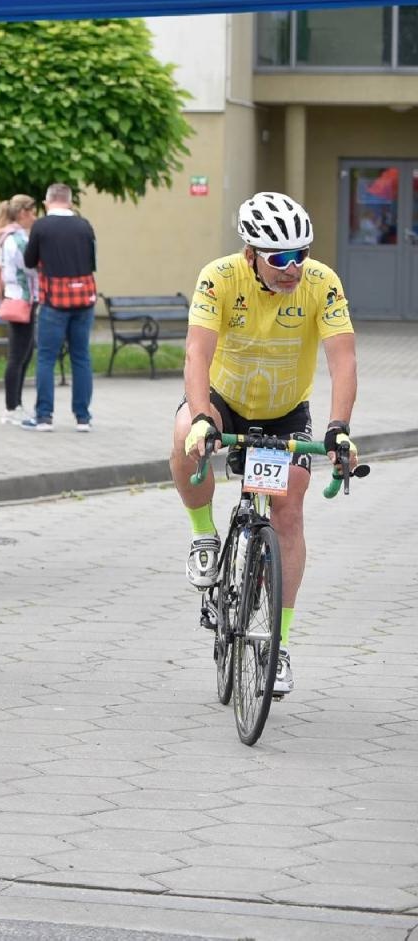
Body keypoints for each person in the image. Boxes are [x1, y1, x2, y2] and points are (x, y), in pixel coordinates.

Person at [172, 191, 358, 696]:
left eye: (301, 254)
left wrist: (338, 427)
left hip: (282, 414)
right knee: (181, 436)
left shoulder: (322, 284)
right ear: (250, 252)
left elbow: (343, 359)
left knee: (287, 511)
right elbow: (196, 352)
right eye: (279, 257)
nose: (292, 266)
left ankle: (278, 643)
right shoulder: (220, 276)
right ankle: (204, 534)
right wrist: (202, 418)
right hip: (224, 400)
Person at [21, 183, 98, 433]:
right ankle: (83, 418)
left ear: (47, 202)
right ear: (70, 202)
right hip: (84, 299)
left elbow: (29, 261)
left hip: (54, 300)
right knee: (81, 356)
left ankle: (44, 417)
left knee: (46, 357)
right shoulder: (84, 225)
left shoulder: (41, 226)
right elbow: (91, 262)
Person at [0, 194, 40, 424]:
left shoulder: (8, 236)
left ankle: (16, 405)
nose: (35, 216)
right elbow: (32, 267)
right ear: (22, 213)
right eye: (32, 211)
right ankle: (12, 408)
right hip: (22, 298)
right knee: (18, 356)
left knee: (23, 354)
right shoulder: (18, 239)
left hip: (19, 297)